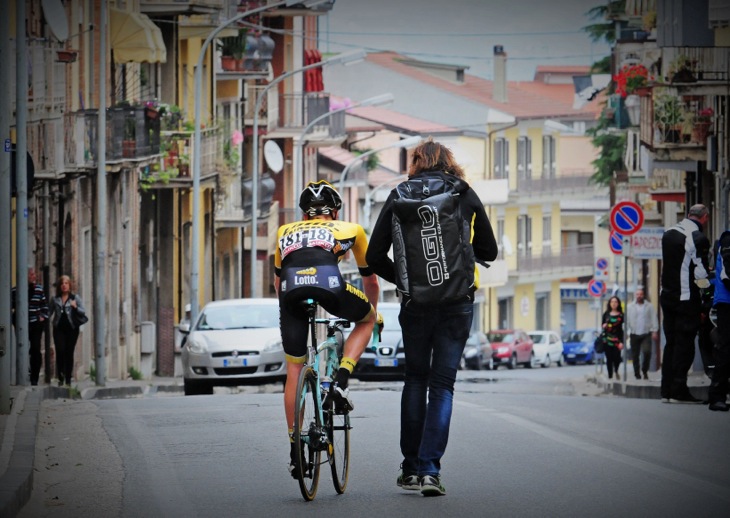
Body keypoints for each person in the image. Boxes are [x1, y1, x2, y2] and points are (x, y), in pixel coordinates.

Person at [366, 138, 498, 497]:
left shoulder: (399, 195)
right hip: (457, 301)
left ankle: (409, 470)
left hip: (415, 304)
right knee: (442, 386)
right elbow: (490, 249)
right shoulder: (462, 192)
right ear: (448, 162)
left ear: (417, 162)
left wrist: (407, 282)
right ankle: (430, 471)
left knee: (415, 380)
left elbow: (375, 255)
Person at [274, 180, 379, 477]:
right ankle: (340, 381)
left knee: (294, 369)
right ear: (334, 212)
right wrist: (373, 311)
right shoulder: (351, 229)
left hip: (290, 291)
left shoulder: (284, 231)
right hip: (330, 285)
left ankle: (296, 448)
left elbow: (277, 282)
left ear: (304, 215)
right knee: (367, 319)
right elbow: (370, 280)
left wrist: (288, 310)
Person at [660, 204, 711, 404]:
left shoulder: (669, 232)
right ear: (705, 217)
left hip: (667, 296)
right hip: (686, 298)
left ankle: (666, 389)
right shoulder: (697, 237)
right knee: (685, 345)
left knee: (670, 343)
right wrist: (707, 291)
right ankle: (679, 389)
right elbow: (700, 274)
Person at [11, 267, 49, 385]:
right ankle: (20, 374)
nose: (34, 276)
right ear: (24, 276)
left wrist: (42, 317)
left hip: (36, 323)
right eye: (31, 274)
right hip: (21, 324)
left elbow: (45, 306)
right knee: (21, 347)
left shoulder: (39, 289)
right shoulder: (14, 291)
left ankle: (34, 377)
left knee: (35, 349)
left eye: (34, 274)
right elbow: (10, 306)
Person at [49, 275, 88, 386]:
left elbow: (83, 311)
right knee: (60, 351)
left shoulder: (75, 298)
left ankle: (68, 379)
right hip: (58, 329)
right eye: (62, 283)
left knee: (69, 352)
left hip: (72, 329)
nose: (64, 285)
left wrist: (75, 306)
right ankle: (60, 377)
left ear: (70, 285)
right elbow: (49, 312)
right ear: (59, 286)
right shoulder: (55, 299)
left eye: (66, 283)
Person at [708, 229, 730, 411]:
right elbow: (727, 275)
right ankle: (716, 397)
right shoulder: (728, 241)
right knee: (725, 349)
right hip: (727, 303)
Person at [626, 287, 659, 380]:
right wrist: (628, 332)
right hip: (634, 333)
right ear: (635, 295)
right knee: (635, 355)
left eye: (641, 294)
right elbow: (627, 320)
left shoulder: (649, 306)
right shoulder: (630, 307)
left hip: (646, 333)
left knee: (647, 352)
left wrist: (654, 331)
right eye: (637, 294)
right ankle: (637, 374)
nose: (639, 296)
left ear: (643, 295)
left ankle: (644, 370)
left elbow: (654, 318)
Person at [601, 295, 625, 380]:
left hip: (617, 340)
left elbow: (623, 329)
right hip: (607, 339)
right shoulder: (606, 314)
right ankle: (610, 375)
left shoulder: (621, 315)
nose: (614, 304)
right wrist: (604, 326)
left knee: (617, 358)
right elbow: (602, 325)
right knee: (609, 358)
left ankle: (616, 370)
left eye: (615, 302)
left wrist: (622, 341)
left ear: (618, 304)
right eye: (612, 302)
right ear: (609, 303)